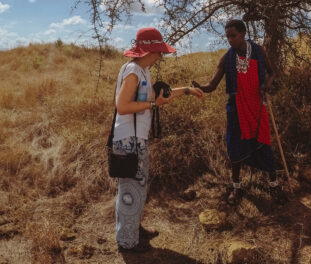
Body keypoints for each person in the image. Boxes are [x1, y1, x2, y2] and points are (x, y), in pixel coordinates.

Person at [113, 27, 203, 253]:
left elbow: (159, 98)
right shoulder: (133, 71)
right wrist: (153, 105)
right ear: (149, 51)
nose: (161, 56)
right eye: (159, 52)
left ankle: (133, 230)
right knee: (130, 191)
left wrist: (188, 91)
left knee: (136, 189)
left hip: (135, 139)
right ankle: (127, 242)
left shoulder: (143, 71)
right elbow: (123, 106)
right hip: (128, 140)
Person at [191, 19, 287, 205]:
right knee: (235, 148)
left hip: (257, 107)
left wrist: (266, 85)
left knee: (264, 143)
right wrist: (199, 87)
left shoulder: (258, 51)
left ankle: (273, 185)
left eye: (233, 36)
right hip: (236, 109)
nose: (229, 40)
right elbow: (212, 85)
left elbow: (272, 72)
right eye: (227, 36)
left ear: (243, 34)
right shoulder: (227, 58)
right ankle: (236, 187)